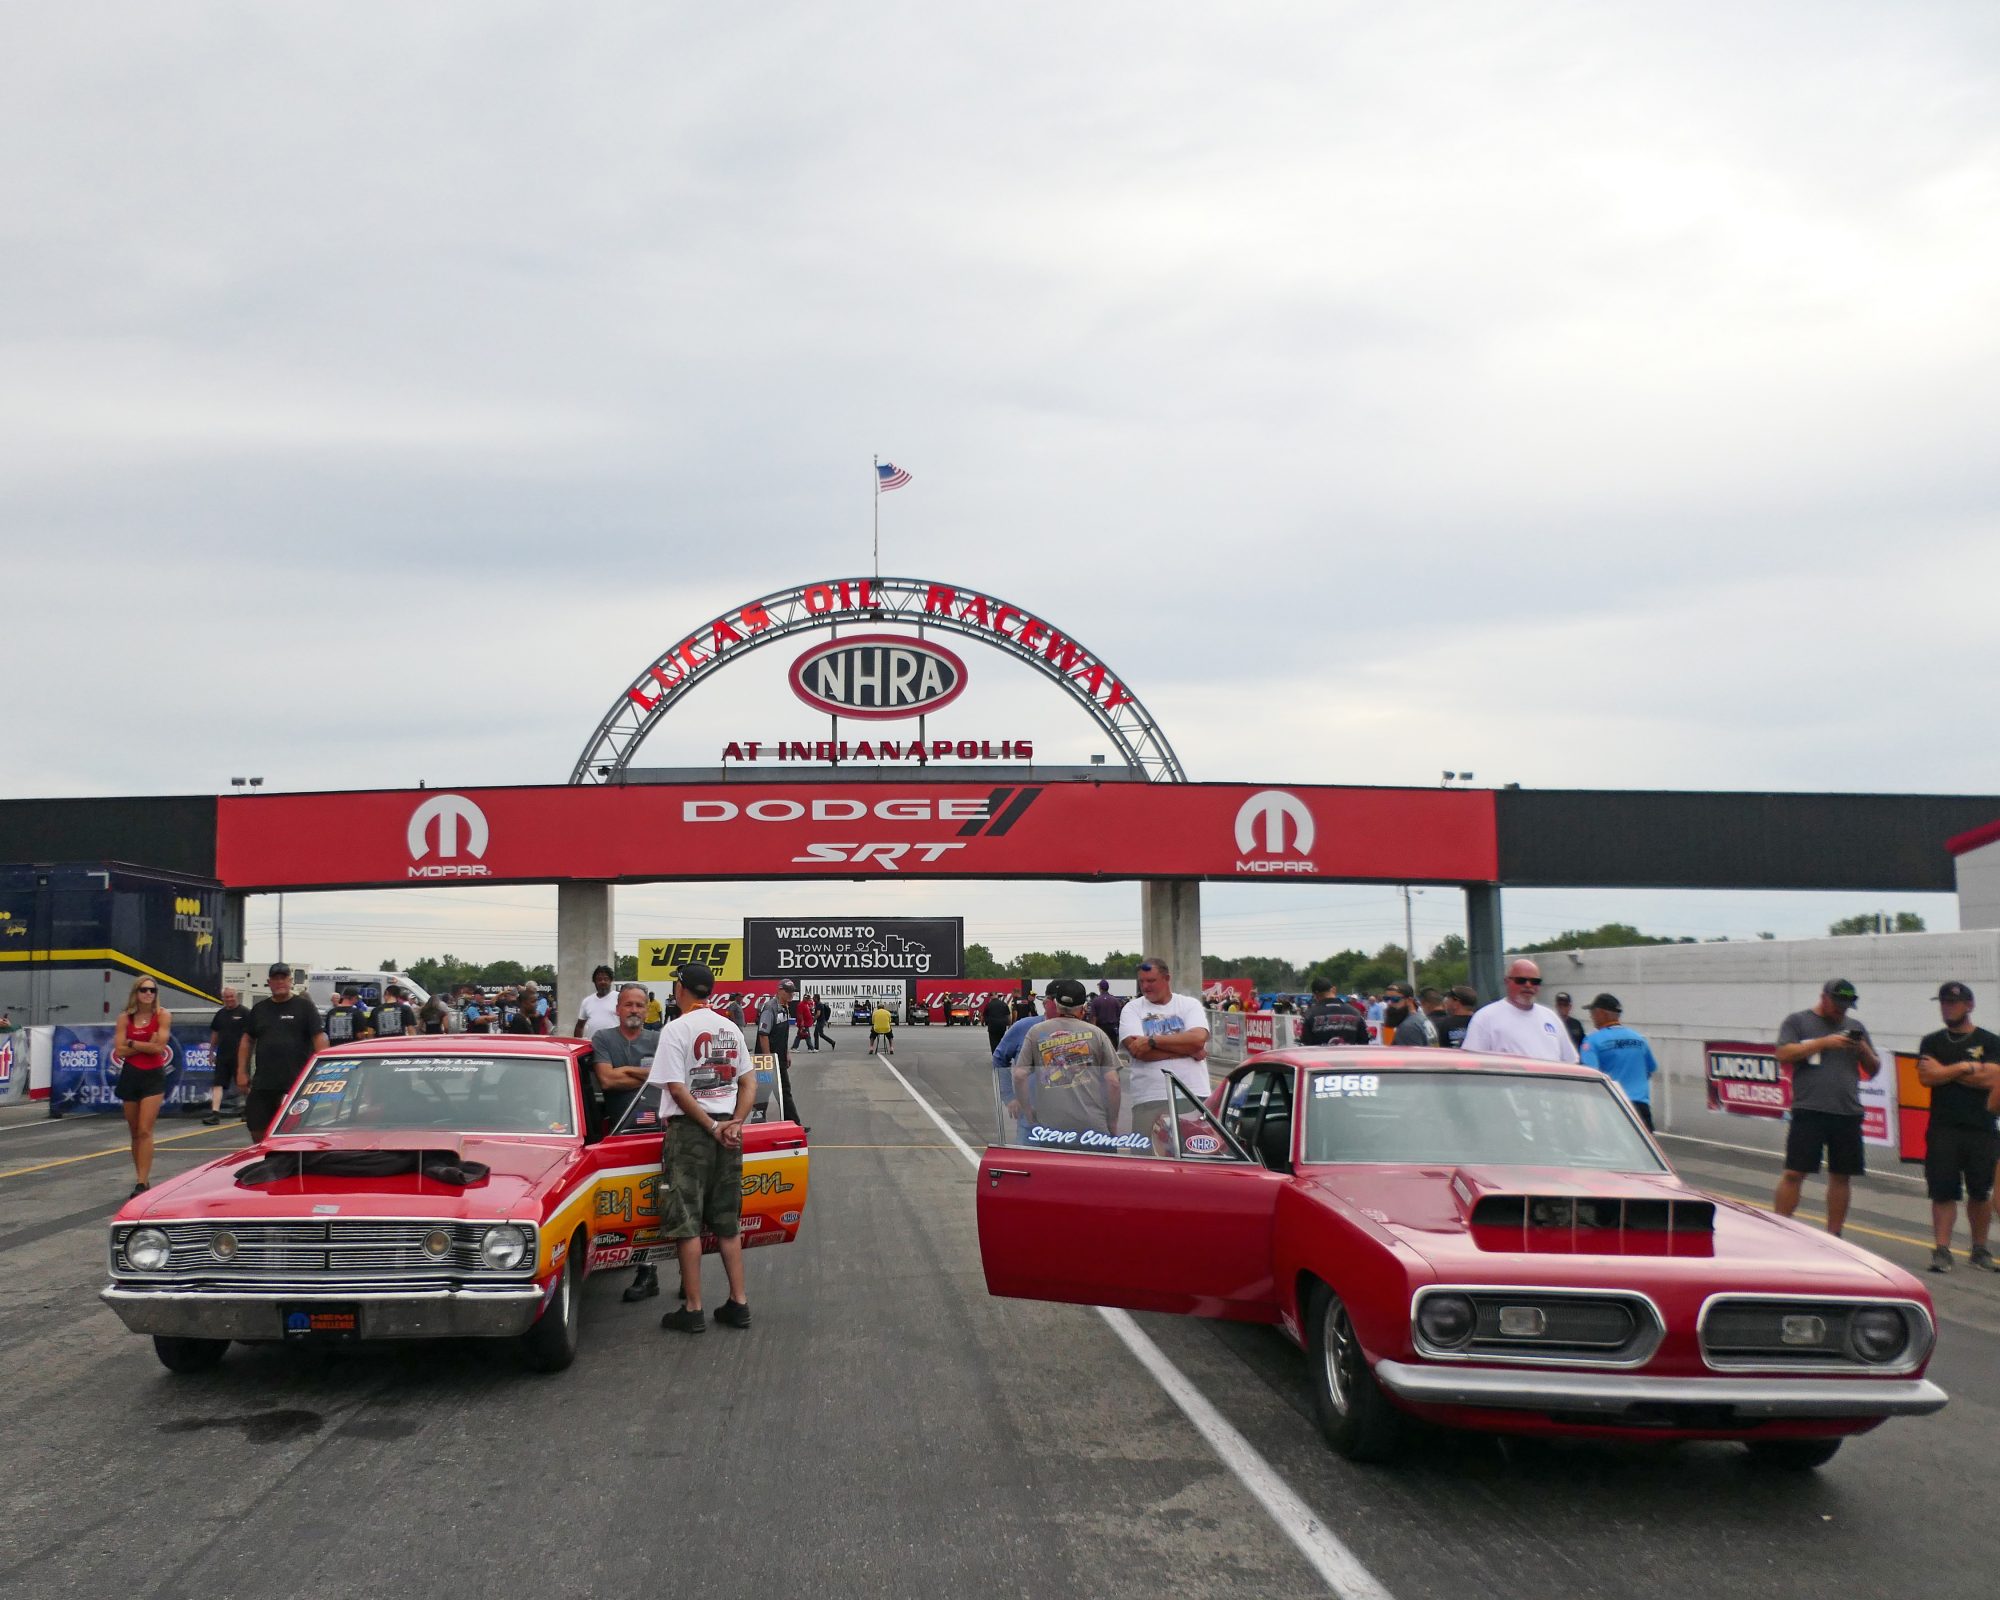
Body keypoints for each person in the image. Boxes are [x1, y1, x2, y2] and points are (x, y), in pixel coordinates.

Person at [648, 962, 757, 1334]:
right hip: (728, 1130)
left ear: (681, 988)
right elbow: (749, 1082)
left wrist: (711, 1127)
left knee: (687, 1220)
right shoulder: (730, 1027)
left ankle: (693, 1309)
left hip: (692, 1132)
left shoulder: (676, 1029)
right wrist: (734, 1125)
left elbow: (676, 1088)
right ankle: (738, 1302)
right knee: (728, 1221)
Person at [1773, 978, 1879, 1237]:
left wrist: (1862, 1048)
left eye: (1846, 1006)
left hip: (1846, 1111)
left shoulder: (1856, 1027)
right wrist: (1823, 1043)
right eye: (1837, 1004)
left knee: (1842, 1175)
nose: (1841, 1011)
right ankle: (1780, 1229)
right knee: (1795, 1172)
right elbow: (1783, 1054)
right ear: (1824, 998)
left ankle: (1835, 1234)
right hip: (1810, 1108)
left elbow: (1874, 1069)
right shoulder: (1797, 1021)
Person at [1916, 981, 2000, 1273]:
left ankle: (1979, 1249)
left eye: (1953, 1002)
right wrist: (1967, 1068)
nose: (1947, 1007)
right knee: (1943, 1190)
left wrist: (1948, 1071)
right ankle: (1942, 1250)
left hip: (1980, 1126)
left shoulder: (1989, 1041)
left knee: (1980, 1191)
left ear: (1969, 1005)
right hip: (1944, 1127)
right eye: (1943, 1002)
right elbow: (1927, 1077)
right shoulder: (1932, 1041)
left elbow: (1993, 1078)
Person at [590, 984, 665, 1302]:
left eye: (640, 1005)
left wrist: (628, 1071)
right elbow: (606, 1080)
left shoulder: (659, 1039)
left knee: (656, 1204)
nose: (634, 1010)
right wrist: (646, 1072)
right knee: (628, 1204)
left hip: (657, 1132)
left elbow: (664, 1078)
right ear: (617, 1009)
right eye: (628, 1005)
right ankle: (629, 1258)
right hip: (619, 1136)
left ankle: (652, 1269)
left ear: (647, 1009)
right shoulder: (603, 1039)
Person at [1119, 957, 1211, 1149]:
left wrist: (1152, 1040)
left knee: (1195, 1156)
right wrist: (1187, 1051)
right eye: (1141, 981)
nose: (1145, 986)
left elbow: (1198, 1039)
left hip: (1192, 1093)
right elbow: (1138, 1051)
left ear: (1166, 978)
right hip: (1150, 1097)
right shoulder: (1132, 1008)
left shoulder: (1189, 1004)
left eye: (1151, 981)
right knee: (1147, 1160)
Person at [1014, 979, 1122, 1142]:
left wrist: (1028, 1112)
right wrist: (1112, 1122)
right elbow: (1113, 1082)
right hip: (1092, 1127)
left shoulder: (1036, 1032)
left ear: (1056, 1004)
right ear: (1083, 1008)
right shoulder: (1097, 1034)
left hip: (1049, 1128)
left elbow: (1019, 1075)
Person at [239, 964, 326, 1140]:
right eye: (275, 979)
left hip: (296, 1082)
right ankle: (264, 1159)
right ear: (269, 982)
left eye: (283, 978)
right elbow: (247, 1040)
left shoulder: (305, 1007)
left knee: (293, 1130)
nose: (280, 982)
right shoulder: (259, 1009)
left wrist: (324, 1071)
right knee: (256, 1127)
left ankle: (291, 1163)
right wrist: (241, 1071)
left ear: (290, 981)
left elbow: (319, 1038)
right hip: (264, 1082)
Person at [113, 976, 173, 1195]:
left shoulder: (163, 1015)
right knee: (134, 1131)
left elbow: (159, 1048)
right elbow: (119, 1050)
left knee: (145, 1129)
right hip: (131, 1074)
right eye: (144, 990)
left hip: (153, 1076)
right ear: (136, 993)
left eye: (152, 990)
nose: (148, 994)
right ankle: (141, 1176)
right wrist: (144, 1044)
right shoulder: (124, 1018)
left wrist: (132, 1043)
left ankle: (141, 1180)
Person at [1461, 959, 1580, 1062]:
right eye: (1521, 980)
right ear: (1507, 981)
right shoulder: (1485, 1017)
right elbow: (1472, 1062)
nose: (1528, 985)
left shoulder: (1551, 1017)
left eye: (1535, 981)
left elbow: (1570, 1060)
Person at [1579, 994, 1659, 1130]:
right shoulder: (1639, 1039)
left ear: (1601, 1013)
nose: (1591, 1016)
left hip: (1613, 1106)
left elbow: (1590, 1076)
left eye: (1592, 1012)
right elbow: (1651, 1068)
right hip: (1641, 1107)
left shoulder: (1592, 1041)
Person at [993, 989, 1061, 1139]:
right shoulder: (1023, 1027)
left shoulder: (1082, 1030)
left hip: (1069, 1119)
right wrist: (1009, 1096)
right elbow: (999, 1058)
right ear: (1046, 1003)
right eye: (1057, 1001)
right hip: (1031, 1118)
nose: (1060, 1007)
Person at [203, 985, 250, 1126]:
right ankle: (215, 1114)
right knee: (217, 1084)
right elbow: (215, 1034)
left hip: (240, 1055)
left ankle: (250, 1110)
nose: (229, 999)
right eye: (226, 997)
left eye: (231, 996)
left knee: (243, 1085)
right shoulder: (220, 1014)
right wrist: (211, 1052)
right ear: (223, 998)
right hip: (223, 1055)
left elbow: (251, 1035)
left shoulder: (245, 1013)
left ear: (236, 996)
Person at [756, 980, 803, 1122]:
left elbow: (784, 1034)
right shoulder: (770, 1007)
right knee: (763, 1091)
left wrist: (787, 1052)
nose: (791, 994)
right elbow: (763, 1034)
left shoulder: (785, 1007)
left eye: (792, 991)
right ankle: (757, 1121)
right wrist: (768, 1059)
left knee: (783, 1091)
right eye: (788, 991)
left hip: (779, 1058)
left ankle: (793, 1123)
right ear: (780, 990)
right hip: (768, 1059)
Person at [1298, 977, 1369, 1047]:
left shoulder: (1309, 1014)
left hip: (1321, 1057)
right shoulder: (1355, 1012)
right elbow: (1364, 1043)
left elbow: (1306, 1045)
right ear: (1334, 989)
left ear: (1315, 995)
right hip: (1349, 1057)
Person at [1381, 981, 1438, 1046]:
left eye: (1395, 999)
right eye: (1386, 999)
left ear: (1409, 1000)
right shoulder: (1422, 1018)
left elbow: (1411, 1055)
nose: (1389, 1003)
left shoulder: (1408, 1027)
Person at [573, 965, 621, 1038]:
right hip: (594, 1045)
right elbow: (579, 1026)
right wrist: (578, 1044)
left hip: (615, 1045)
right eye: (599, 979)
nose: (602, 982)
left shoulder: (620, 998)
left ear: (611, 981)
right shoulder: (587, 1001)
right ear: (594, 982)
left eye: (606, 979)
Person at [1086, 979, 1124, 1043]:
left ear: (1100, 988)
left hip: (1101, 1028)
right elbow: (1120, 1016)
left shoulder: (1096, 1001)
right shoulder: (1115, 1000)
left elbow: (1093, 1018)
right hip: (1113, 1029)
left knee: (1101, 1049)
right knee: (1113, 1048)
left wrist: (1093, 1032)